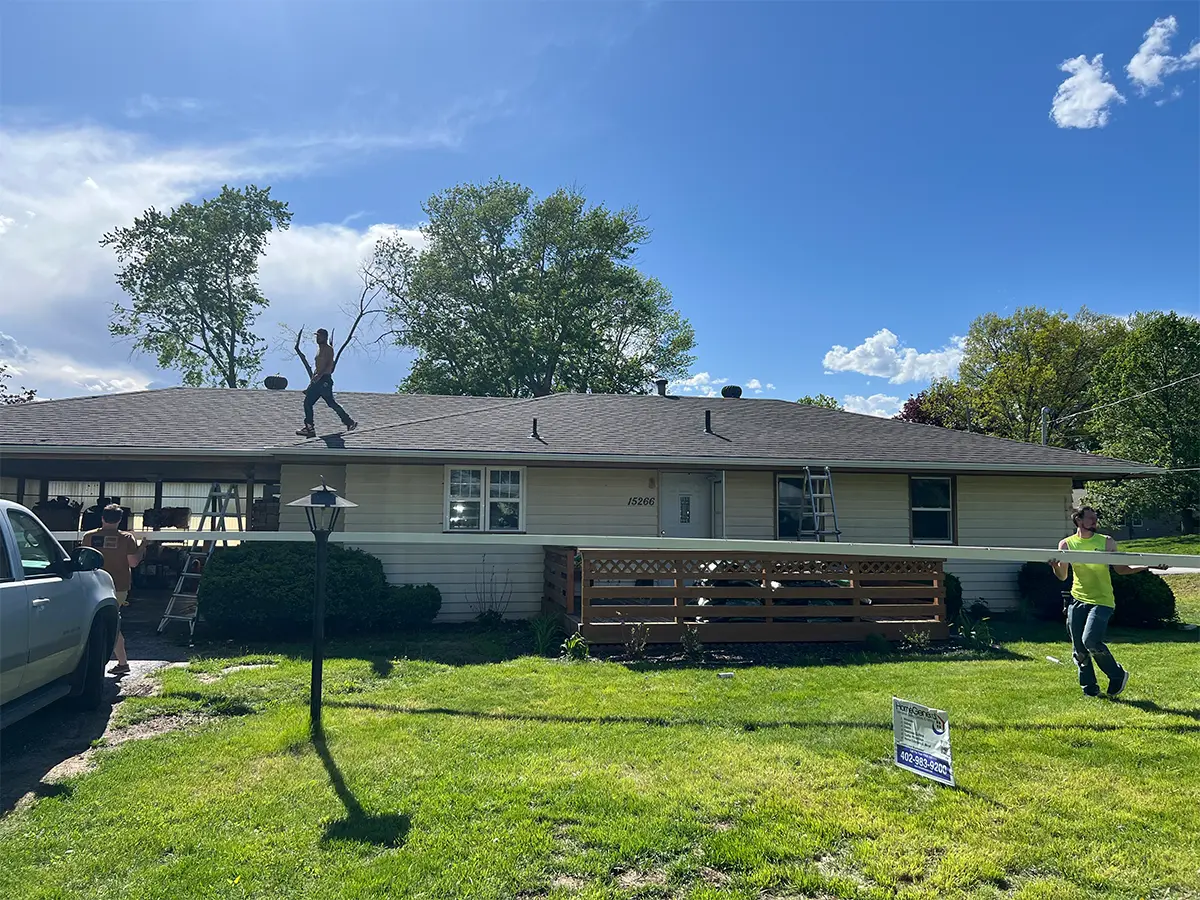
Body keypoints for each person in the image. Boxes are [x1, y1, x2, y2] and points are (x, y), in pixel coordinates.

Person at [1050, 506, 1164, 698]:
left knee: (1091, 640)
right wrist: (1055, 566)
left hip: (1102, 601)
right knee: (1079, 649)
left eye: (1096, 519)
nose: (1095, 522)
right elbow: (1062, 576)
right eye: (1090, 519)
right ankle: (1090, 689)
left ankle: (1117, 675)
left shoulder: (1106, 542)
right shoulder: (1066, 544)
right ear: (1078, 520)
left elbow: (1122, 569)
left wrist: (1148, 565)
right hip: (1077, 600)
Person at [81, 504, 144, 677]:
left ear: (102, 518)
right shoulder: (126, 538)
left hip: (93, 586)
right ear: (120, 520)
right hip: (118, 587)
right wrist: (143, 547)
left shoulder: (89, 537)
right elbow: (133, 562)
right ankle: (121, 662)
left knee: (101, 623)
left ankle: (117, 662)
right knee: (111, 623)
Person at [296, 328, 357, 438]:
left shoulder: (328, 349)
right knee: (307, 403)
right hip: (318, 381)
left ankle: (349, 422)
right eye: (316, 336)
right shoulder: (319, 350)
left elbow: (329, 365)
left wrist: (320, 376)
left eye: (319, 336)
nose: (317, 338)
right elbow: (317, 368)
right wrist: (311, 385)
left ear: (324, 337)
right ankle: (309, 428)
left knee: (330, 402)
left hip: (324, 380)